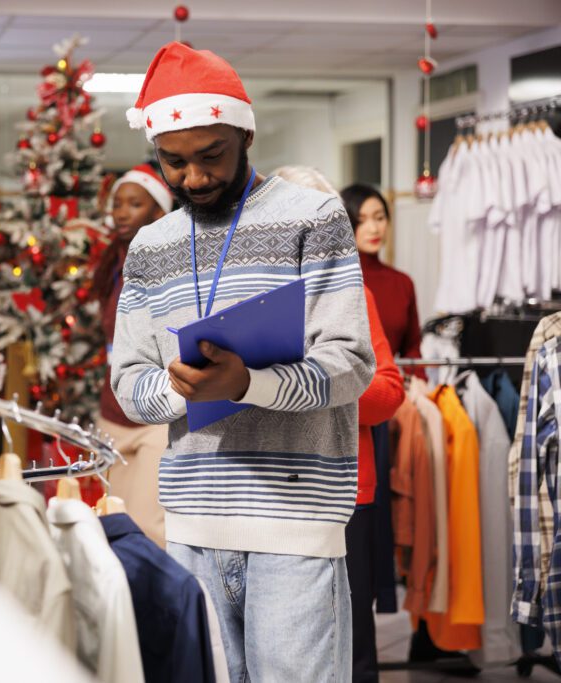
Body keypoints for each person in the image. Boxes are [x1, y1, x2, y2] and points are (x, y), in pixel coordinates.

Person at [112, 43, 375, 682]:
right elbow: (128, 381)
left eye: (212, 156)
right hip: (193, 526)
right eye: (173, 163)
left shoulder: (312, 217)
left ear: (245, 133)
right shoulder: (152, 244)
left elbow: (352, 363)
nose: (194, 179)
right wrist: (186, 390)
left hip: (297, 525)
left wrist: (248, 383)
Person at [274, 166, 406, 682]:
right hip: (266, 492)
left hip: (346, 492)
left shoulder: (357, 295)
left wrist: (312, 384)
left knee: (352, 642)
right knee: (280, 640)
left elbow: (388, 392)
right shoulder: (240, 295)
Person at [91, 164, 173, 548]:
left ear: (158, 211)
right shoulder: (112, 265)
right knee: (112, 523)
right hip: (112, 413)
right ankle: (125, 608)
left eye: (134, 204)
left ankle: (163, 608)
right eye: (117, 203)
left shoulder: (170, 266)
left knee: (148, 528)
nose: (121, 212)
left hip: (155, 416)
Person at [340, 184, 425, 376]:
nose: (373, 228)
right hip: (346, 389)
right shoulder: (337, 279)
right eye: (361, 221)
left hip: (392, 386)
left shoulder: (402, 283)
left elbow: (412, 347)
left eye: (379, 218)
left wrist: (418, 381)